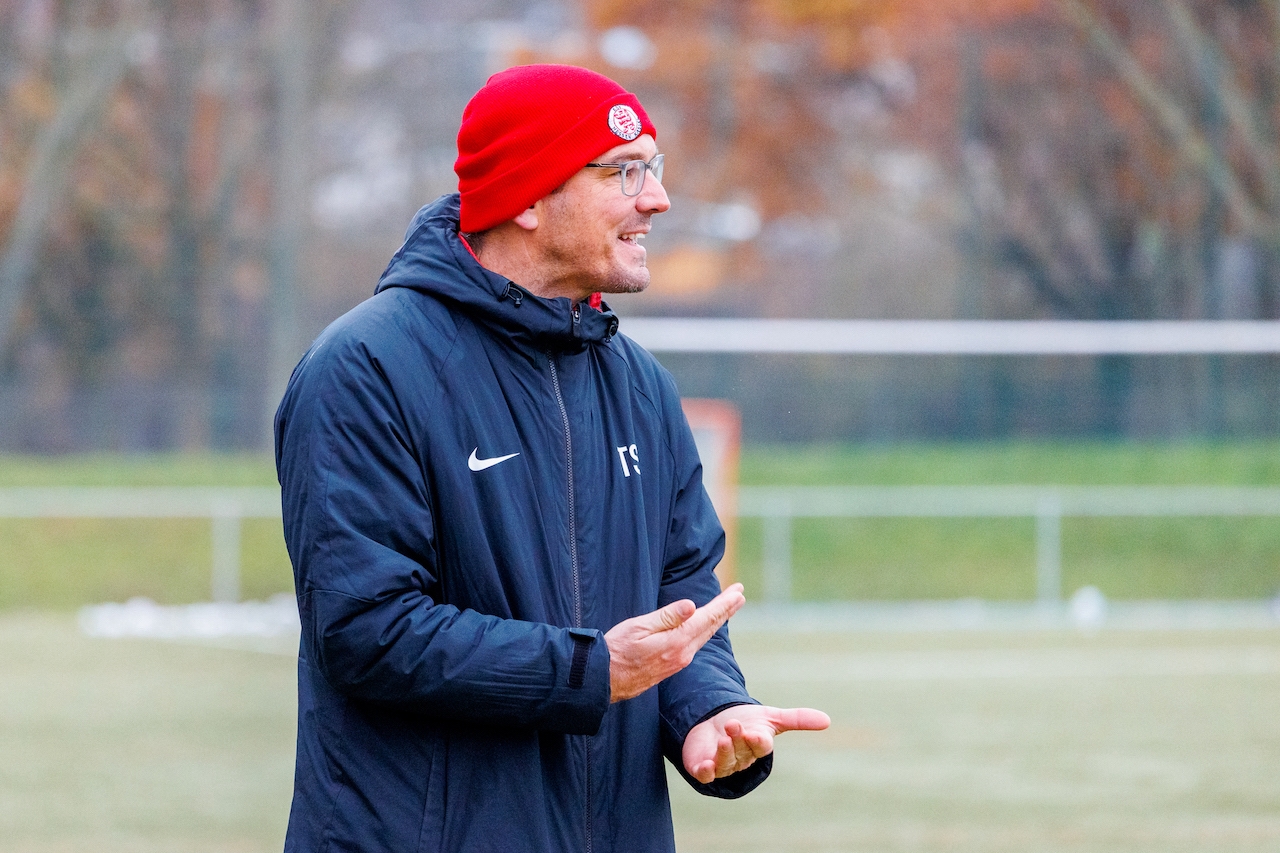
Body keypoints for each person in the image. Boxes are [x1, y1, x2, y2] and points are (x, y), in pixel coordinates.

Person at [274, 63, 828, 853]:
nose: (657, 198)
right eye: (623, 172)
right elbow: (369, 629)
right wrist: (589, 670)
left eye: (654, 168)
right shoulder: (367, 368)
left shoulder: (640, 384)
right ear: (527, 199)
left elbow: (680, 588)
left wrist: (706, 705)